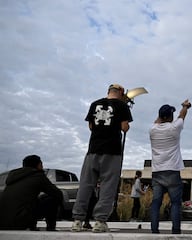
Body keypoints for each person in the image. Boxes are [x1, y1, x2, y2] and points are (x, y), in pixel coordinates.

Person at [72, 84, 133, 233]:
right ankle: (100, 221)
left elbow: (91, 126)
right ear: (121, 93)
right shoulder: (122, 106)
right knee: (108, 186)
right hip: (112, 151)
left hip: (93, 149)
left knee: (86, 185)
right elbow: (124, 127)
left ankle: (77, 220)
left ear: (108, 91)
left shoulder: (94, 104)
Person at [149, 99, 191, 234]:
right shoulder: (174, 128)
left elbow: (158, 121)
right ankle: (176, 231)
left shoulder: (152, 129)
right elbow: (182, 115)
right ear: (168, 117)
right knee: (175, 203)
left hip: (157, 172)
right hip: (172, 171)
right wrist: (185, 106)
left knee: (156, 202)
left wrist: (162, 115)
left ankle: (154, 231)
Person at [0, 155, 63, 231]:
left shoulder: (13, 177)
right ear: (39, 165)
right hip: (19, 222)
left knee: (29, 201)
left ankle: (32, 226)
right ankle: (51, 228)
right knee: (52, 199)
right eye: (41, 164)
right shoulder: (38, 176)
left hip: (3, 221)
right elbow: (57, 193)